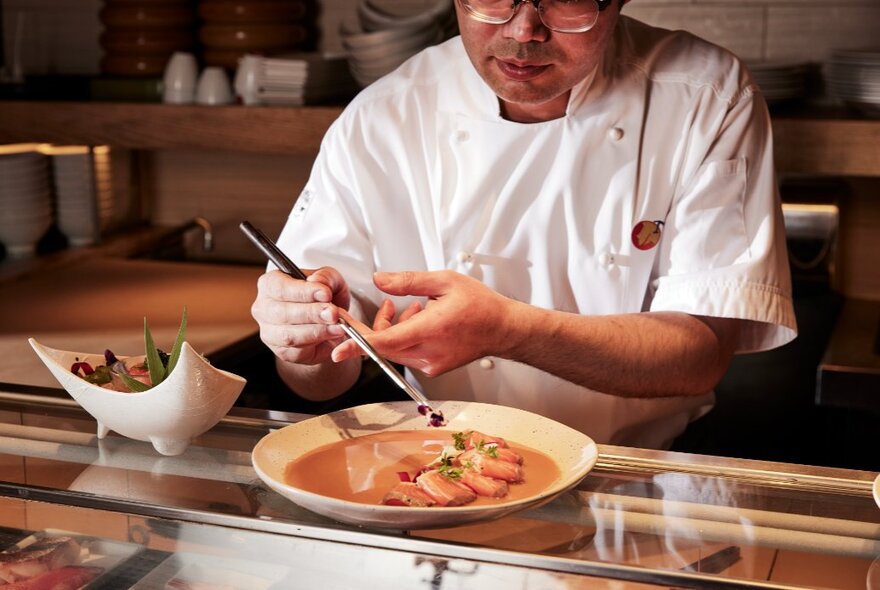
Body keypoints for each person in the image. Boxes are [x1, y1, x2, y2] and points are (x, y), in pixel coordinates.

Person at [250, 0, 797, 449]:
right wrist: (301, 343)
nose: (523, 30)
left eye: (565, 0)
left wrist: (507, 330)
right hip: (441, 468)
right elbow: (318, 379)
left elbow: (699, 356)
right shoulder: (382, 118)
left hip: (636, 480)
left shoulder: (707, 95)